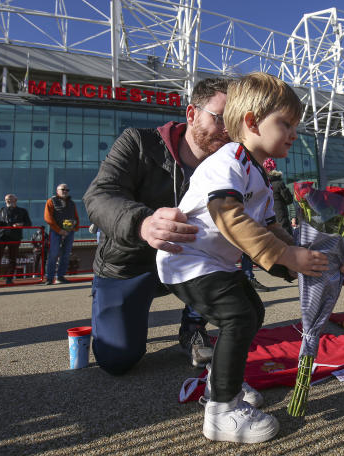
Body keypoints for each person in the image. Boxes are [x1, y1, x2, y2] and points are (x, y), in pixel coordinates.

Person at [157, 72, 344, 444]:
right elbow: (228, 215)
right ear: (251, 122)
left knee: (251, 312)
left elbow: (273, 230)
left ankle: (221, 383)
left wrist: (314, 264)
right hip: (188, 261)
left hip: (211, 262)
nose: (294, 133)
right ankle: (221, 412)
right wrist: (287, 255)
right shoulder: (228, 160)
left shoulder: (256, 172)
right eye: (286, 124)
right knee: (238, 315)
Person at [83, 77, 231, 372]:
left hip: (192, 264)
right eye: (221, 118)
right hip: (130, 263)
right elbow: (99, 196)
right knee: (117, 360)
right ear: (191, 114)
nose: (229, 130)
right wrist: (144, 224)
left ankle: (193, 324)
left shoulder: (232, 163)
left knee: (238, 291)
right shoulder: (138, 142)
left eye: (236, 121)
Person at [0, 194, 32, 285]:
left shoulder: (22, 211)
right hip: (1, 236)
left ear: (16, 200)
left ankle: (9, 278)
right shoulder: (1, 210)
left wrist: (21, 225)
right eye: (7, 199)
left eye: (11, 199)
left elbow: (29, 223)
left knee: (13, 258)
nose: (8, 201)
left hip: (15, 237)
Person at [44, 184, 79, 285]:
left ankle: (61, 276)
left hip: (69, 231)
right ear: (57, 190)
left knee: (66, 255)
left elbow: (76, 216)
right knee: (53, 254)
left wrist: (75, 227)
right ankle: (50, 278)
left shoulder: (72, 203)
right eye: (63, 189)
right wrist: (59, 230)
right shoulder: (51, 201)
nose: (65, 191)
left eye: (67, 190)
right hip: (56, 231)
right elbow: (48, 218)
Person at [263, 157, 294, 234]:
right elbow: (289, 200)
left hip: (267, 219)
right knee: (286, 239)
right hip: (281, 218)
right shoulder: (279, 183)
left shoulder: (262, 184)